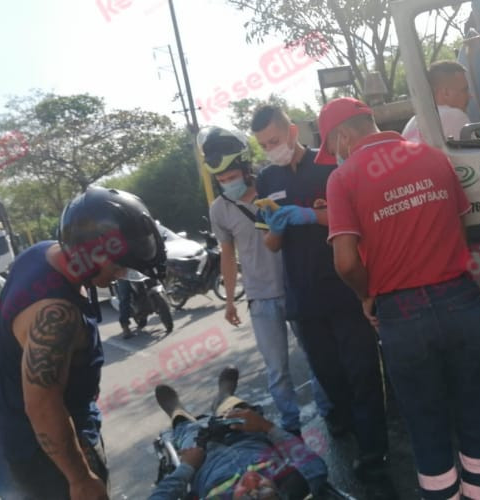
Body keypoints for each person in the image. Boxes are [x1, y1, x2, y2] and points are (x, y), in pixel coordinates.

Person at [320, 98, 480, 499]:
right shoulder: (434, 157)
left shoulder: (343, 179)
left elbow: (345, 262)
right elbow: (459, 228)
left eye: (333, 147)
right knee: (478, 414)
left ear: (344, 137)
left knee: (426, 425)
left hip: (402, 315)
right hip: (461, 299)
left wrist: (367, 295)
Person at [0, 186, 167, 499]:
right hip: (48, 455)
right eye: (117, 266)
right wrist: (79, 478)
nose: (119, 275)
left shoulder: (44, 253)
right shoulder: (55, 313)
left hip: (31, 430)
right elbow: (42, 406)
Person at [251, 106, 389, 480]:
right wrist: (277, 226)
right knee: (329, 376)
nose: (270, 149)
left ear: (293, 131)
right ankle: (347, 424)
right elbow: (271, 243)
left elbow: (359, 215)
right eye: (263, 145)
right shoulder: (266, 179)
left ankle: (374, 448)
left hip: (346, 289)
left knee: (361, 370)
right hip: (304, 298)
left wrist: (311, 215)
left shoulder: (330, 165)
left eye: (275, 141)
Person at [402, 60, 480, 399]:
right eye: (464, 89)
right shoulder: (452, 117)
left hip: (429, 245)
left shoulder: (412, 125)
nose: (469, 96)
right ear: (443, 93)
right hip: (471, 233)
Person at [200, 127, 331, 436]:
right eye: (221, 179)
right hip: (261, 297)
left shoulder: (270, 188)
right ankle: (289, 428)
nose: (227, 183)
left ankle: (330, 412)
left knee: (316, 358)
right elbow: (228, 255)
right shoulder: (219, 210)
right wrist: (230, 299)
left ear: (245, 169)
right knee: (277, 371)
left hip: (296, 286)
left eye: (232, 176)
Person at [149, 366, 327, 500]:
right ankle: (224, 398)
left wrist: (186, 467)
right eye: (263, 491)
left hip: (202, 457)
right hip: (247, 437)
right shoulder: (307, 480)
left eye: (248, 496)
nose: (251, 481)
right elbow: (313, 465)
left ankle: (177, 412)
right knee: (241, 411)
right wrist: (266, 426)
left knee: (185, 428)